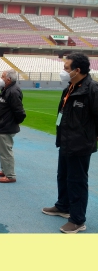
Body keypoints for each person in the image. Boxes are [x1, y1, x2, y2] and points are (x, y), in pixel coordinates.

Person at [42, 52, 98, 234]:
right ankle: (63, 206)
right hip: (66, 142)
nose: (63, 71)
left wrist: (89, 140)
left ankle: (77, 220)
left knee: (77, 182)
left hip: (80, 145)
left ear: (77, 70)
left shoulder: (92, 90)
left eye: (66, 68)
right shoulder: (70, 88)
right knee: (62, 176)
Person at [0, 69, 26, 184]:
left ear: (8, 79)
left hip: (6, 126)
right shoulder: (7, 90)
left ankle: (10, 175)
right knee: (1, 150)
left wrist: (12, 122)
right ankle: (5, 170)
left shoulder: (13, 91)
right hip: (2, 125)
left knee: (6, 151)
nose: (0, 79)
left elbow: (20, 112)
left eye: (2, 76)